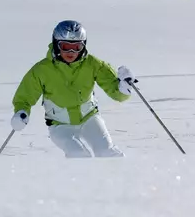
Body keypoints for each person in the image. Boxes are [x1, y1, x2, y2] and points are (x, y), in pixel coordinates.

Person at [10, 20, 136, 158]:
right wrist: (21, 112)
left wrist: (123, 89)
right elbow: (24, 96)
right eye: (65, 46)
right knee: (78, 154)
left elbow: (116, 92)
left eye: (76, 47)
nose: (71, 52)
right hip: (60, 125)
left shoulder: (93, 64)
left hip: (89, 119)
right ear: (57, 45)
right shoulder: (42, 70)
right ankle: (78, 179)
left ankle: (118, 177)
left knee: (106, 152)